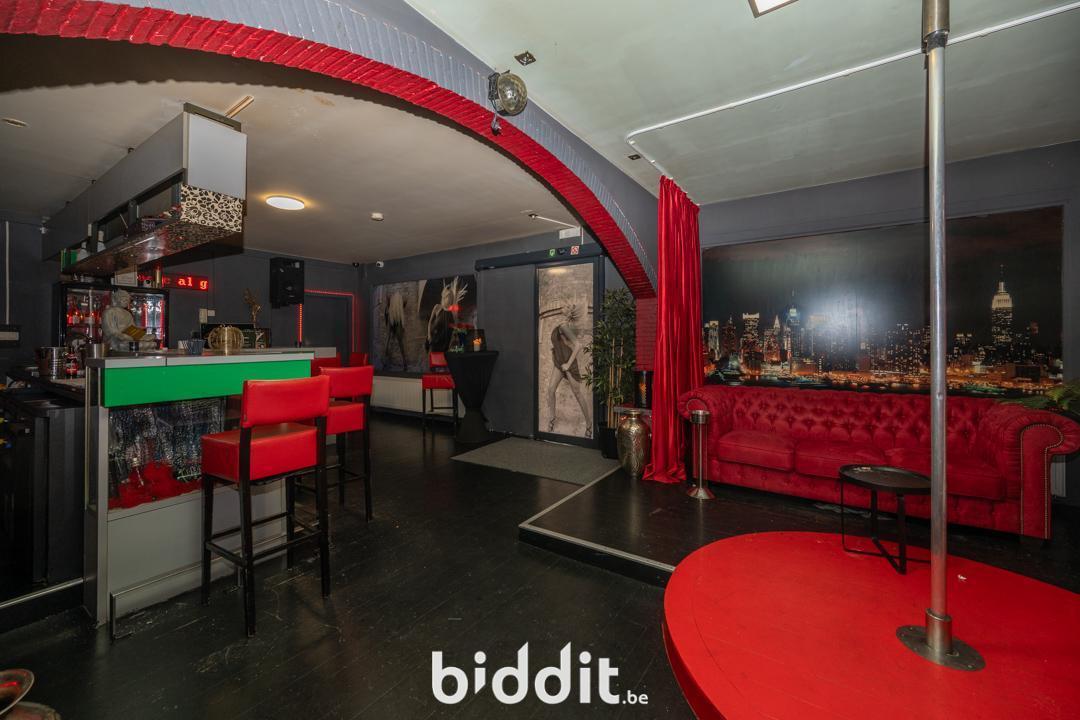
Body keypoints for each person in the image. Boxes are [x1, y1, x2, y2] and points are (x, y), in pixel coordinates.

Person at [545, 302, 592, 437]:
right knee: (551, 390)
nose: (564, 306)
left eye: (568, 306)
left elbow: (578, 345)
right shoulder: (563, 325)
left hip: (568, 363)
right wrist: (555, 351)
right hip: (559, 362)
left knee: (577, 393)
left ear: (569, 312)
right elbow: (561, 343)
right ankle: (552, 418)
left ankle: (589, 424)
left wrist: (568, 364)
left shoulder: (564, 326)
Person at [383, 289, 408, 371]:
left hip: (395, 321)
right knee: (392, 341)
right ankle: (387, 361)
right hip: (394, 320)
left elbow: (403, 304)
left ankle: (403, 362)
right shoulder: (398, 298)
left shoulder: (396, 298)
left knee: (393, 341)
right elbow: (404, 303)